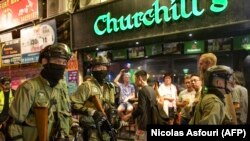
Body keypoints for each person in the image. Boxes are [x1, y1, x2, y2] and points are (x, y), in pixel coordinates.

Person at [8, 43, 72, 141]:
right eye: (57, 60)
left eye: (64, 62)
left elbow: (65, 114)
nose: (61, 65)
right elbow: (14, 124)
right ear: (44, 61)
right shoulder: (29, 88)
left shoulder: (62, 87)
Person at [70, 55, 117, 141]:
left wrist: (115, 119)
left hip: (106, 129)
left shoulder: (110, 87)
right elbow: (73, 104)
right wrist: (92, 112)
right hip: (92, 130)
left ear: (107, 68)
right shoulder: (87, 86)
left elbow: (111, 106)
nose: (100, 70)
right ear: (92, 70)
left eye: (103, 67)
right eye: (97, 68)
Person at [198, 52, 237, 124]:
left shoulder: (215, 81)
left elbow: (227, 107)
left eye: (201, 64)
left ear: (208, 63)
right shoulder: (208, 79)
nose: (199, 67)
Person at [123, 70, 156, 141]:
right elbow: (149, 104)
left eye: (135, 79)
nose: (135, 82)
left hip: (143, 123)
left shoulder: (142, 91)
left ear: (140, 78)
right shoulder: (152, 89)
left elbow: (141, 109)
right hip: (151, 120)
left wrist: (128, 116)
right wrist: (139, 103)